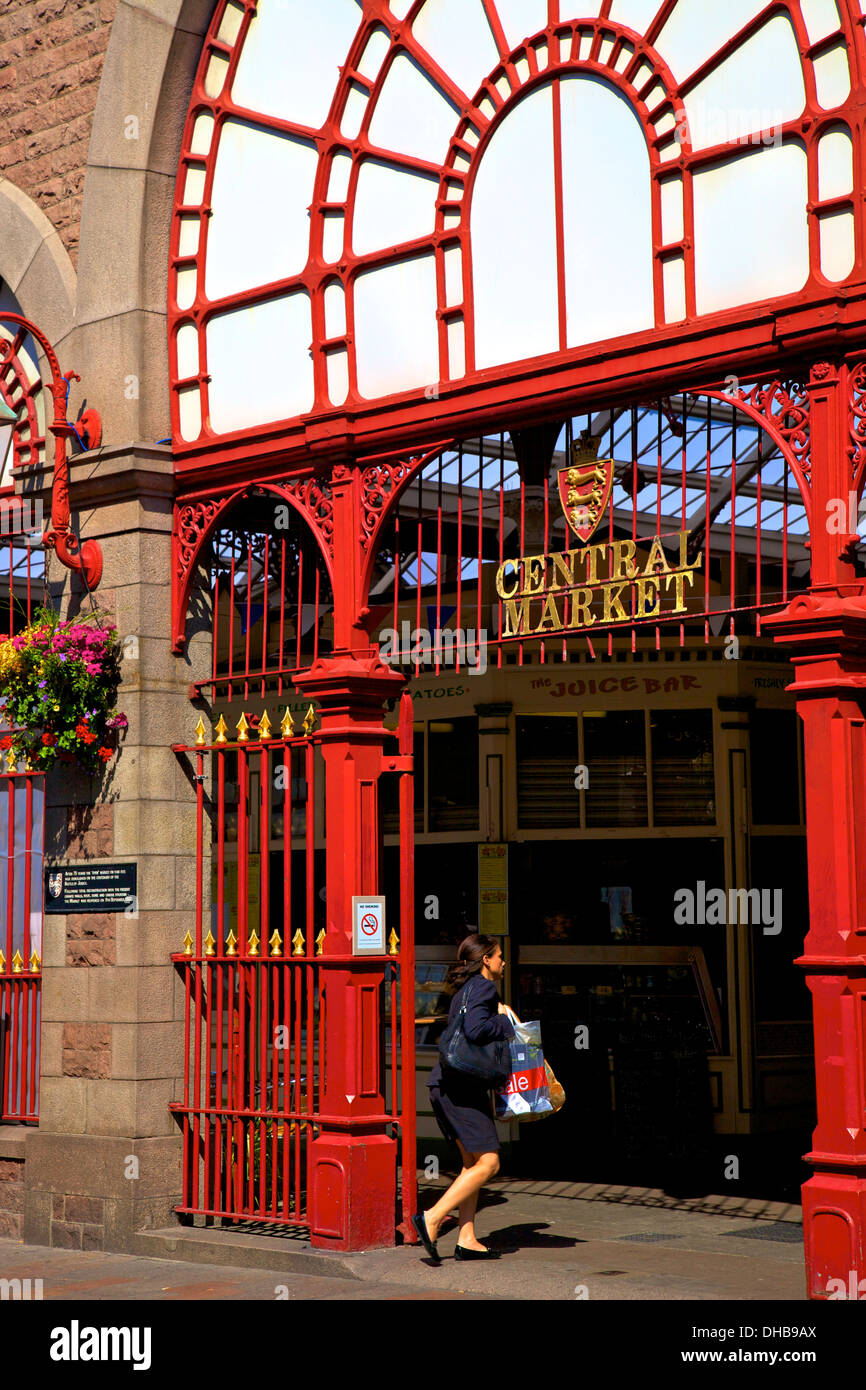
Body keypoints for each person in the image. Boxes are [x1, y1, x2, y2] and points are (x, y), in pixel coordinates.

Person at [412, 933, 514, 1264]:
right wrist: (505, 1019)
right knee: (489, 1162)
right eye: (499, 956)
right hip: (460, 1090)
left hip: (445, 1085)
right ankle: (431, 1217)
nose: (503, 961)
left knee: (471, 1165)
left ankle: (467, 1238)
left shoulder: (466, 990)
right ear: (486, 959)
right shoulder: (483, 988)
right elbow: (476, 1030)